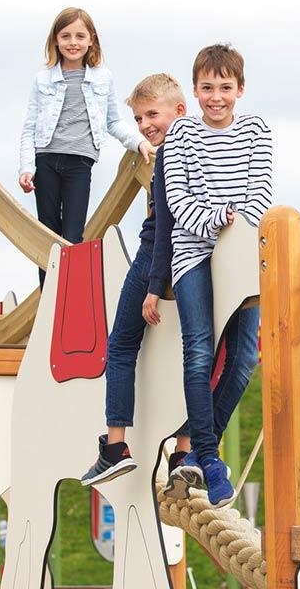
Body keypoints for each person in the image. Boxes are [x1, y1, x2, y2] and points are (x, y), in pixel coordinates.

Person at [79, 74, 263, 493]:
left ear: (180, 111)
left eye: (151, 115)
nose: (145, 125)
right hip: (201, 251)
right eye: (139, 119)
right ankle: (185, 451)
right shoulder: (194, 144)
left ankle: (116, 445)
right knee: (207, 355)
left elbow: (165, 227)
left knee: (122, 345)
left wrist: (154, 284)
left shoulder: (173, 151)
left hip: (160, 255)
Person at [162, 43, 272, 506]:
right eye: (207, 88)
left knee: (244, 356)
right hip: (193, 253)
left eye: (225, 88)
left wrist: (234, 228)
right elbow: (178, 199)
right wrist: (216, 220)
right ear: (194, 90)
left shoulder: (256, 130)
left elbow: (260, 193)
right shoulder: (182, 134)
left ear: (240, 89)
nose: (216, 97)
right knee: (199, 350)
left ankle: (197, 446)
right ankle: (208, 457)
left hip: (241, 253)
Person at [18, 7, 149, 282]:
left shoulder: (102, 77)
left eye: (80, 36)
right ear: (55, 40)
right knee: (47, 232)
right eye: (65, 36)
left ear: (91, 40)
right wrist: (26, 168)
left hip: (79, 161)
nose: (73, 42)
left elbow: (114, 121)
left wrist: (139, 142)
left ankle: (68, 292)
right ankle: (48, 295)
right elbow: (29, 127)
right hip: (46, 158)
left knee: (73, 235)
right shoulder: (43, 78)